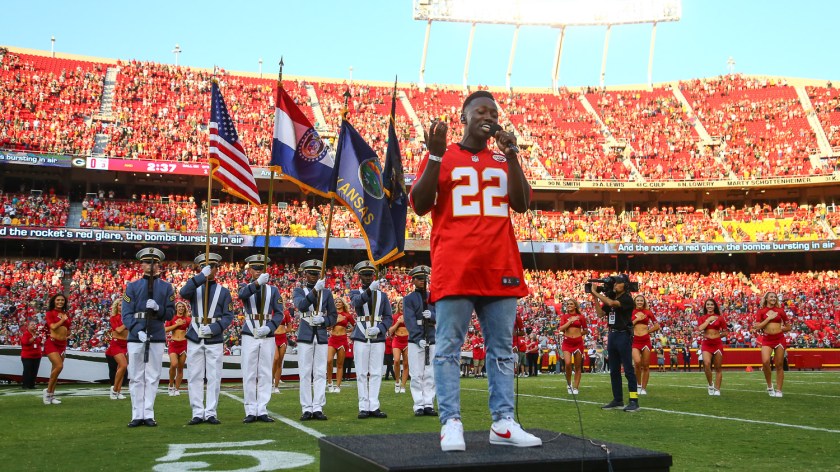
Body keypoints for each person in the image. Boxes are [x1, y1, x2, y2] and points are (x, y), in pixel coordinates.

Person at [411, 90, 542, 451]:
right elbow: (420, 204)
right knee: (449, 348)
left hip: (500, 265)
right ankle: (451, 421)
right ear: (463, 117)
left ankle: (503, 422)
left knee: (502, 349)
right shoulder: (443, 154)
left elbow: (522, 203)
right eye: (481, 110)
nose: (489, 116)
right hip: (456, 265)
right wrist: (434, 154)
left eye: (494, 112)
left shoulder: (503, 159)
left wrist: (513, 154)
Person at [122, 247, 176, 427]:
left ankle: (149, 413)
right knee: (136, 376)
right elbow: (126, 314)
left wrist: (158, 308)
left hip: (157, 333)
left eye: (153, 263)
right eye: (147, 262)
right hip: (137, 335)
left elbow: (169, 314)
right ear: (142, 265)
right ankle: (137, 414)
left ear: (158, 266)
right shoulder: (132, 286)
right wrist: (137, 330)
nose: (150, 266)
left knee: (152, 376)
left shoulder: (167, 287)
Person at [180, 252, 234, 425]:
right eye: (206, 267)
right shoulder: (194, 287)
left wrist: (213, 328)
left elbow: (228, 316)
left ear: (217, 269)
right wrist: (200, 277)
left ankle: (210, 412)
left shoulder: (224, 292)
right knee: (194, 375)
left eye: (212, 267)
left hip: (214, 336)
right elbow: (183, 292)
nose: (210, 270)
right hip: (195, 334)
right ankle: (197, 411)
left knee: (214, 376)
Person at [238, 254, 284, 423]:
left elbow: (279, 312)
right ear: (250, 270)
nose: (258, 272)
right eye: (255, 269)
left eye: (261, 269)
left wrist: (270, 327)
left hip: (267, 333)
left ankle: (262, 408)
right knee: (249, 372)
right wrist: (257, 284)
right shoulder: (245, 285)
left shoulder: (273, 290)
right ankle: (250, 409)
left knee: (265, 372)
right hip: (250, 332)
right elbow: (242, 295)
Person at [293, 259, 337, 421]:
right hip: (305, 335)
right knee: (305, 373)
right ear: (305, 274)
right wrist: (314, 292)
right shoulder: (298, 291)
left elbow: (333, 315)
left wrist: (324, 321)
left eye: (316, 274)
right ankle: (306, 407)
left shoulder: (326, 293)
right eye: (311, 273)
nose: (314, 276)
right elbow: (302, 306)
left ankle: (318, 407)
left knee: (320, 372)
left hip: (320, 336)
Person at [349, 260, 393, 419]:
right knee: (361, 373)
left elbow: (389, 317)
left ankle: (374, 405)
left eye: (370, 275)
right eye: (365, 275)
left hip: (378, 337)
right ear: (359, 276)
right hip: (361, 335)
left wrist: (380, 329)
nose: (368, 278)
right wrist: (369, 291)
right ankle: (363, 406)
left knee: (375, 372)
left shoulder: (383, 295)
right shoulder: (354, 292)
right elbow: (357, 303)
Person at [590, 274, 639, 412]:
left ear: (625, 285)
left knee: (628, 370)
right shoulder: (612, 297)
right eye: (615, 283)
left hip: (623, 335)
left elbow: (612, 304)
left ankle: (634, 400)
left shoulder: (627, 299)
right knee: (614, 370)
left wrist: (595, 292)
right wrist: (594, 297)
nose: (615, 285)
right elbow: (600, 314)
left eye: (618, 283)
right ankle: (618, 399)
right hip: (612, 335)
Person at [402, 264, 437, 416]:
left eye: (425, 278)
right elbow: (409, 320)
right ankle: (418, 405)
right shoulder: (409, 299)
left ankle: (429, 403)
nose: (423, 281)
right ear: (413, 280)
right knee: (416, 374)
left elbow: (441, 315)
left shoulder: (433, 297)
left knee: (430, 373)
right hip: (417, 340)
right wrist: (417, 338)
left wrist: (433, 315)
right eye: (419, 279)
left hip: (431, 337)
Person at [754, 292, 791, 397]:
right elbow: (758, 327)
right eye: (771, 297)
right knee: (765, 362)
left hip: (779, 339)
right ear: (766, 299)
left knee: (779, 364)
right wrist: (769, 318)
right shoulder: (761, 311)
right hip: (767, 339)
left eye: (775, 297)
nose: (773, 298)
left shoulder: (780, 311)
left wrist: (780, 328)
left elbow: (788, 327)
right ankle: (770, 386)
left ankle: (779, 390)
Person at [43, 293, 70, 405]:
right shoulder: (50, 313)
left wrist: (67, 333)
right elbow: (53, 327)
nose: (60, 302)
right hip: (52, 343)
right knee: (59, 366)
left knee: (55, 371)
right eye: (58, 300)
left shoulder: (65, 314)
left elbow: (68, 329)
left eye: (62, 300)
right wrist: (63, 320)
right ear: (54, 301)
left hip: (62, 344)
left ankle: (51, 396)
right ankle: (47, 392)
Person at [631, 294, 659, 395]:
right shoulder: (631, 311)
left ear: (644, 302)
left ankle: (643, 388)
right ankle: (638, 385)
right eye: (637, 300)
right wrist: (637, 319)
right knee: (637, 362)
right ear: (634, 302)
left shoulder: (648, 312)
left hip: (646, 341)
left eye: (641, 301)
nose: (639, 302)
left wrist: (648, 331)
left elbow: (657, 326)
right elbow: (628, 325)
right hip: (635, 341)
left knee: (646, 366)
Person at [697, 298, 727, 396]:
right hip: (706, 344)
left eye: (711, 304)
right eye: (708, 304)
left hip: (717, 344)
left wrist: (717, 336)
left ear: (714, 306)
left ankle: (717, 389)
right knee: (707, 363)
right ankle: (710, 384)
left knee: (718, 367)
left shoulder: (720, 318)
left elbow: (725, 332)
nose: (709, 306)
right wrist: (709, 320)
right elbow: (700, 328)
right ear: (705, 306)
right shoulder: (702, 317)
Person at [559, 298, 587, 395]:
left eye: (571, 304)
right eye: (568, 304)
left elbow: (586, 330)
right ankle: (568, 383)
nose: (569, 305)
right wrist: (570, 321)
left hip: (578, 343)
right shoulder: (564, 316)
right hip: (567, 343)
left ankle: (575, 388)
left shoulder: (581, 317)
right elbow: (561, 329)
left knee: (578, 366)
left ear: (575, 306)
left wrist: (579, 334)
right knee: (567, 363)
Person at [327, 297, 354, 394]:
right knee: (329, 360)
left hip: (342, 340)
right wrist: (336, 321)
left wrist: (347, 331)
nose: (338, 303)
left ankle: (338, 386)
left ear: (343, 304)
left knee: (339, 364)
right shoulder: (332, 314)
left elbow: (355, 325)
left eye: (339, 302)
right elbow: (327, 327)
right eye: (336, 302)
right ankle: (330, 383)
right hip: (333, 339)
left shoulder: (347, 315)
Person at [165, 301, 190, 396]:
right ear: (176, 308)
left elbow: (192, 329)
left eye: (182, 307)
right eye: (179, 306)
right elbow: (166, 329)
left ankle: (176, 389)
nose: (181, 308)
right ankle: (171, 385)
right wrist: (177, 324)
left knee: (180, 368)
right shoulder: (171, 318)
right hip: (173, 343)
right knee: (174, 364)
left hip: (183, 344)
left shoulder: (187, 319)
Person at [105, 298, 128, 400]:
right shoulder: (114, 317)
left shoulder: (128, 317)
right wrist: (127, 323)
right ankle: (114, 389)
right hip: (116, 343)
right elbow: (118, 330)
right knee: (123, 365)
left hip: (126, 344)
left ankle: (118, 391)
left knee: (121, 369)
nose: (121, 307)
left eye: (123, 305)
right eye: (119, 305)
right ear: (116, 307)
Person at [388, 297, 409, 394]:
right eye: (401, 303)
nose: (402, 305)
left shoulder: (410, 316)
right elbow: (390, 331)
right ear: (398, 305)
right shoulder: (394, 316)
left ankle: (403, 386)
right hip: (397, 340)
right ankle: (397, 381)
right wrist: (398, 322)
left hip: (407, 341)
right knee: (396, 361)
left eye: (404, 303)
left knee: (406, 363)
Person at [272, 305, 293, 393]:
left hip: (283, 338)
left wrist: (283, 331)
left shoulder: (286, 313)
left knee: (280, 362)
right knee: (275, 359)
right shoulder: (271, 311)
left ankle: (276, 386)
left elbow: (289, 327)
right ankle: (270, 382)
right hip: (273, 337)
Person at [20, 319, 42, 389]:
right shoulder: (26, 333)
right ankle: (25, 385)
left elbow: (39, 342)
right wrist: (35, 336)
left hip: (37, 356)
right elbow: (26, 342)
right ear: (28, 326)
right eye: (32, 325)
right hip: (27, 356)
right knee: (27, 371)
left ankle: (32, 384)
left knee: (34, 371)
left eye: (35, 325)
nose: (34, 326)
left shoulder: (36, 333)